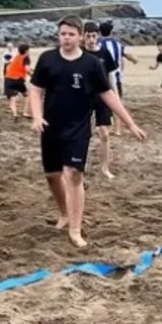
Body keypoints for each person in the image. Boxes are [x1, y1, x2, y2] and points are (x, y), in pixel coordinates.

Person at [29, 16, 146, 249]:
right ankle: (64, 213)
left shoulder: (91, 64)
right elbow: (35, 90)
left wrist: (130, 123)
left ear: (80, 36)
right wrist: (37, 116)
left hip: (78, 127)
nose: (66, 38)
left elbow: (108, 94)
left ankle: (75, 228)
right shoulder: (47, 59)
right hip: (51, 126)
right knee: (52, 175)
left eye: (71, 34)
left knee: (73, 174)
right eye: (63, 34)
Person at [82, 22, 117, 180]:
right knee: (83, 134)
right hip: (84, 98)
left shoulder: (104, 53)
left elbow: (111, 77)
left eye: (93, 36)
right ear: (83, 36)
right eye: (88, 36)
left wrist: (116, 98)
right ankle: (80, 165)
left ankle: (104, 168)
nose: (91, 39)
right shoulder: (80, 54)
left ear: (98, 36)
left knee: (104, 134)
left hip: (102, 97)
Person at [97, 20, 138, 134]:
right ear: (111, 32)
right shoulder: (118, 45)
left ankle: (104, 126)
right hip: (117, 76)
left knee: (102, 103)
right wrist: (134, 60)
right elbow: (125, 55)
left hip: (103, 77)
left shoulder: (99, 45)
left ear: (99, 32)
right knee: (117, 101)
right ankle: (117, 129)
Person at [4, 43, 31, 117]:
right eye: (29, 50)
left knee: (13, 97)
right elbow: (27, 69)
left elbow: (10, 66)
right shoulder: (26, 57)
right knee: (27, 95)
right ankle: (25, 112)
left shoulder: (16, 57)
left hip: (8, 79)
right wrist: (33, 76)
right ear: (26, 51)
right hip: (18, 80)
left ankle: (15, 113)